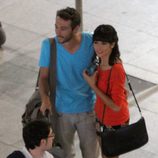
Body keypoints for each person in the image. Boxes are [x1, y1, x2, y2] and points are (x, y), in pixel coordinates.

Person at [38, 7, 100, 158]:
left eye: (64, 28)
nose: (58, 32)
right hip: (60, 111)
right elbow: (43, 77)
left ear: (76, 28)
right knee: (63, 155)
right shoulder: (49, 45)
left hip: (88, 110)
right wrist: (45, 99)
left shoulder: (91, 42)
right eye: (56, 27)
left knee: (91, 154)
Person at [83, 24, 130, 158]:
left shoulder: (116, 69)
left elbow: (116, 106)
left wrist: (93, 85)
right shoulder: (101, 61)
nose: (98, 47)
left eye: (103, 43)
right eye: (96, 42)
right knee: (104, 154)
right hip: (101, 117)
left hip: (115, 121)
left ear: (112, 44)